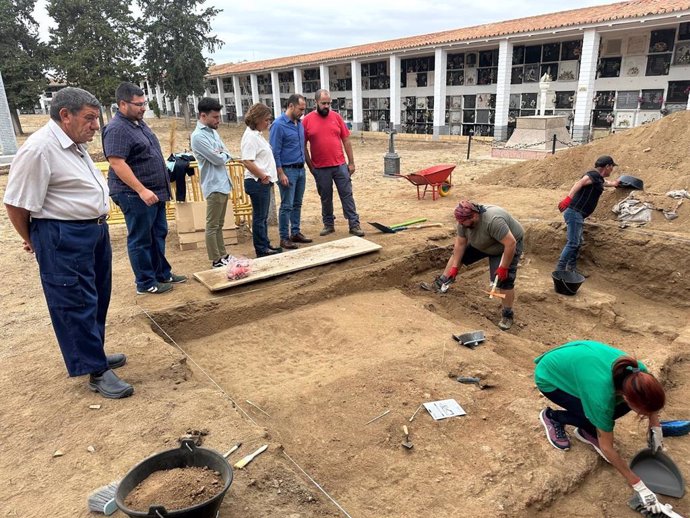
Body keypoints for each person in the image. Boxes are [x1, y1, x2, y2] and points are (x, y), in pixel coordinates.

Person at [3, 87, 133, 399]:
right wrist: (34, 240)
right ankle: (95, 370)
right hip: (63, 235)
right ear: (65, 115)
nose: (95, 125)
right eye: (89, 118)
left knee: (97, 296)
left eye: (96, 118)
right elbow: (15, 204)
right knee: (74, 302)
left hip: (93, 232)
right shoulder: (39, 149)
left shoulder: (73, 144)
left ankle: (94, 354)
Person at [535, 340, 666, 515]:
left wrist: (655, 425)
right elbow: (607, 447)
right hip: (550, 377)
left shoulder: (639, 374)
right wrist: (639, 486)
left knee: (602, 416)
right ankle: (554, 417)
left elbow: (649, 400)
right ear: (626, 397)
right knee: (595, 416)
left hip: (580, 364)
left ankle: (587, 430)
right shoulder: (601, 396)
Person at [103, 82, 187, 294]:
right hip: (134, 194)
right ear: (122, 104)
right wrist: (141, 190)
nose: (143, 108)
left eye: (144, 103)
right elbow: (117, 163)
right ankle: (145, 282)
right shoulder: (116, 129)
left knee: (158, 234)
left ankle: (161, 273)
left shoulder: (138, 123)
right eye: (138, 104)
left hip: (155, 193)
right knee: (141, 239)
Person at [433, 200, 523, 331]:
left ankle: (507, 314)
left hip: (505, 246)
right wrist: (454, 268)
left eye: (463, 222)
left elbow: (510, 244)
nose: (461, 224)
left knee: (505, 281)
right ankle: (442, 283)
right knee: (458, 256)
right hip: (483, 243)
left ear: (474, 216)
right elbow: (460, 244)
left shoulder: (493, 221)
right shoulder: (463, 222)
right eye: (460, 222)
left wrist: (503, 267)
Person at [303, 89, 364, 237]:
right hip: (320, 168)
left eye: (329, 103)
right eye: (323, 103)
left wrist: (351, 162)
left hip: (340, 165)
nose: (326, 106)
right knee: (325, 197)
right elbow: (303, 145)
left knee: (347, 194)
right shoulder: (307, 120)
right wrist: (311, 166)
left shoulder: (336, 117)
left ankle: (354, 224)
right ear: (316, 102)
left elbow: (346, 140)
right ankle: (328, 224)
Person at [556, 155, 620, 274]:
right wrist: (568, 199)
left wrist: (615, 183)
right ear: (607, 166)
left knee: (577, 242)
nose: (612, 170)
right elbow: (579, 183)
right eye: (612, 167)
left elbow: (604, 183)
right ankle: (560, 270)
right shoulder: (593, 174)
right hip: (575, 212)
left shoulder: (598, 178)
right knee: (573, 242)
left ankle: (571, 269)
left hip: (578, 214)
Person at [190, 97, 234, 268]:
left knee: (219, 224)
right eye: (215, 117)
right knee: (212, 224)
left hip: (223, 182)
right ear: (203, 116)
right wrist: (223, 155)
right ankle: (216, 259)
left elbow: (225, 152)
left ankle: (223, 254)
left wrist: (223, 154)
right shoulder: (197, 137)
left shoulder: (213, 132)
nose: (218, 120)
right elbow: (218, 158)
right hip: (213, 184)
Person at [269, 93, 312, 250]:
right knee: (286, 205)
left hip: (300, 169)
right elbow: (275, 152)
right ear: (291, 106)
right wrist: (280, 173)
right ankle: (284, 237)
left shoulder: (299, 124)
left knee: (297, 203)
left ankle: (295, 232)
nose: (302, 112)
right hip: (287, 170)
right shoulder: (278, 125)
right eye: (300, 109)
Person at [241, 103, 281, 257]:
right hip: (257, 182)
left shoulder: (256, 134)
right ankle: (261, 248)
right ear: (257, 119)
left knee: (262, 217)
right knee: (259, 217)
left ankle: (265, 244)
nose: (268, 123)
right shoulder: (250, 137)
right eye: (266, 120)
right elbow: (247, 161)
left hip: (262, 182)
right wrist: (263, 176)